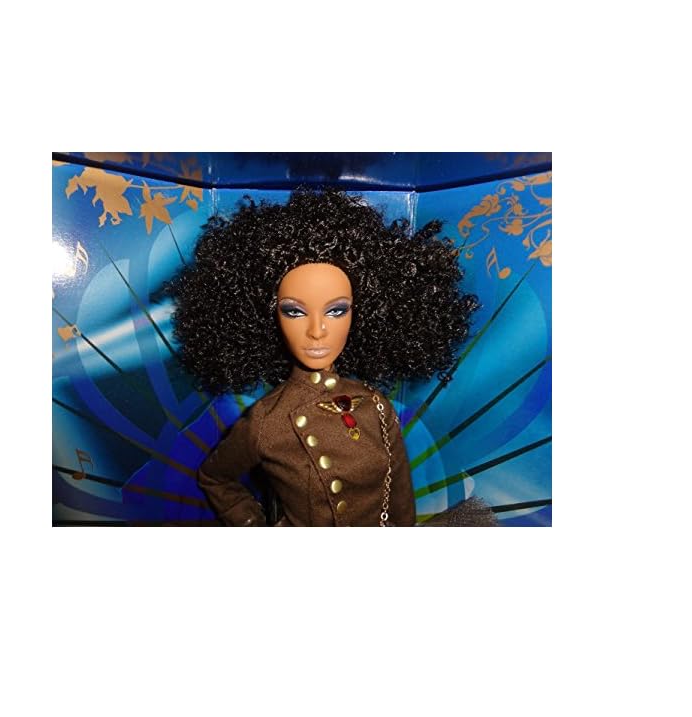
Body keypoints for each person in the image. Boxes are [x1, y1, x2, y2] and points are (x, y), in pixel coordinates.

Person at [167, 189, 478, 526]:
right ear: (266, 316)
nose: (317, 331)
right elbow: (215, 478)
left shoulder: (375, 406)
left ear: (364, 311)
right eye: (294, 311)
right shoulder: (267, 422)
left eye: (336, 310)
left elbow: (400, 504)